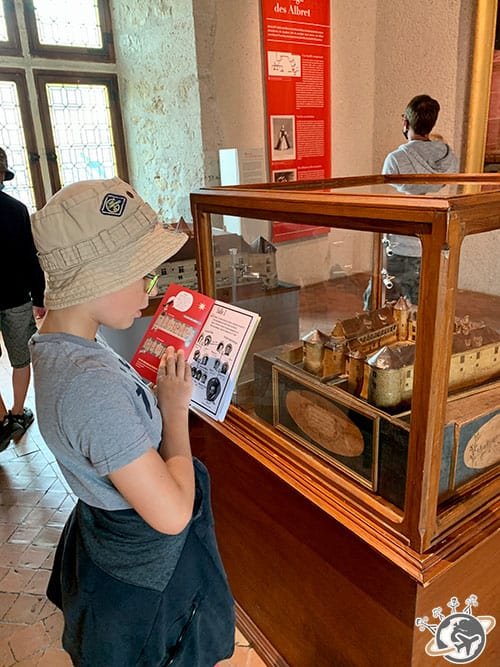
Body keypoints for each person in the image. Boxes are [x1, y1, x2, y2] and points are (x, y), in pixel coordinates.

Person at [29, 177, 235, 666]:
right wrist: (174, 409)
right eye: (142, 274)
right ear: (97, 278)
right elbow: (173, 514)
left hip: (110, 551)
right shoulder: (88, 385)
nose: (152, 286)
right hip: (143, 577)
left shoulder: (60, 344)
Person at [364, 95, 458, 308]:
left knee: (376, 302)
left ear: (406, 122)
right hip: (432, 241)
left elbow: (387, 187)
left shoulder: (396, 160)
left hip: (399, 242)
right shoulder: (448, 158)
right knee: (424, 305)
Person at [0, 147, 45, 452]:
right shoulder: (16, 210)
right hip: (16, 296)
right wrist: (39, 296)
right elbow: (32, 258)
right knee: (20, 358)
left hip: (15, 295)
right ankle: (18, 412)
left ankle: (1, 417)